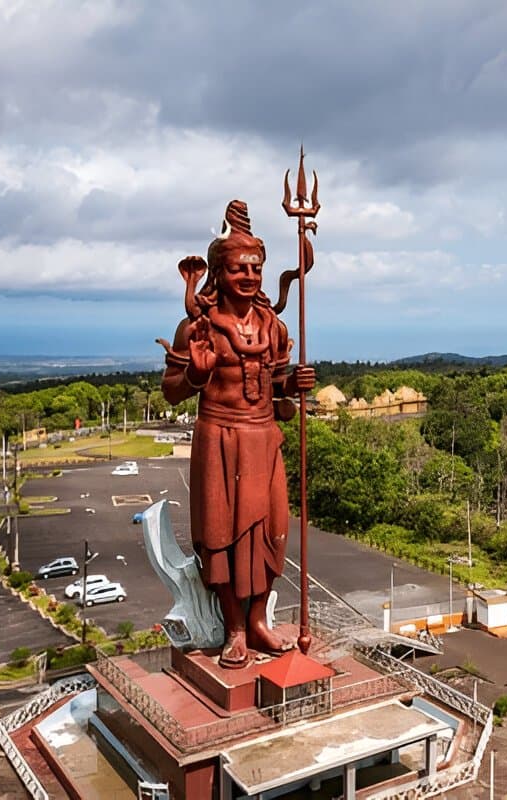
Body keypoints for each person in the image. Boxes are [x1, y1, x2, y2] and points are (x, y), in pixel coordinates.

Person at [161, 200, 314, 668]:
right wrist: (196, 376)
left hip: (263, 437)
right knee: (223, 538)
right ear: (217, 273)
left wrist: (293, 383)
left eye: (255, 268)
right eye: (236, 269)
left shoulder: (274, 326)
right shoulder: (197, 327)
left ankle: (259, 623)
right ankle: (234, 629)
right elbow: (171, 392)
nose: (248, 276)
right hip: (220, 439)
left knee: (271, 532)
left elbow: (279, 393)